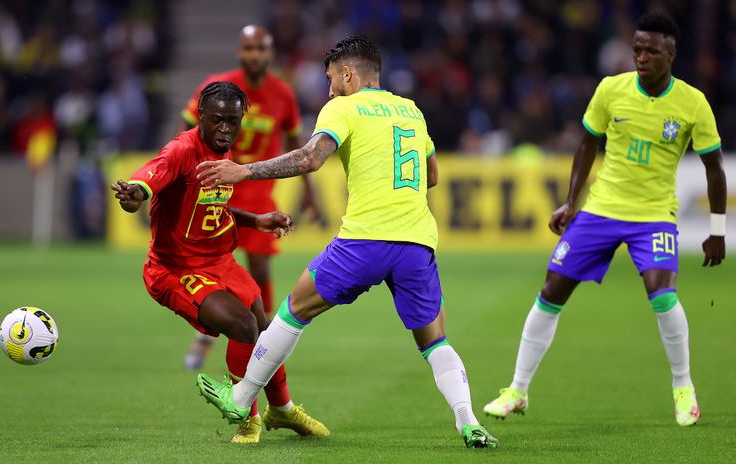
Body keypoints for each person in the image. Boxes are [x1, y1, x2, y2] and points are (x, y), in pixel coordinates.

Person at [194, 36, 499, 449]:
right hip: (416, 241)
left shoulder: (344, 107)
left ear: (348, 74)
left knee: (293, 311)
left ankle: (242, 397)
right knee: (435, 341)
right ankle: (468, 421)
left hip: (364, 240)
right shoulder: (411, 110)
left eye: (331, 79)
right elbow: (432, 176)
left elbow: (310, 158)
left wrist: (244, 171)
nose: (329, 89)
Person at [482, 12, 726, 427]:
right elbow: (586, 143)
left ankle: (683, 386)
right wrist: (570, 202)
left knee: (662, 294)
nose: (641, 57)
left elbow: (714, 168)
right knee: (551, 289)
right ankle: (517, 390)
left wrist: (717, 229)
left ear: (671, 54)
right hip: (602, 209)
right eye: (636, 49)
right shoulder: (611, 89)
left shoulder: (692, 103)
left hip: (653, 215)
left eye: (651, 51)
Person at [111, 81, 328, 444]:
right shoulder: (182, 150)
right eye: (217, 120)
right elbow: (148, 179)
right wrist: (134, 194)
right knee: (243, 325)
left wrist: (256, 220)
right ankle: (247, 419)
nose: (225, 128)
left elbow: (213, 205)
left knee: (266, 331)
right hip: (176, 269)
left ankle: (283, 409)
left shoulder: (223, 153)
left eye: (233, 121)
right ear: (201, 116)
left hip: (218, 260)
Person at [180, 25, 320, 371]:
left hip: (257, 193)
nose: (254, 55)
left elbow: (296, 146)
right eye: (248, 48)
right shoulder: (217, 88)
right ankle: (206, 335)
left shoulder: (282, 94)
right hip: (214, 189)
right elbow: (184, 132)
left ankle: (264, 336)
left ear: (270, 53)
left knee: (258, 267)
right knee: (209, 264)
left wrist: (310, 193)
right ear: (239, 51)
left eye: (261, 49)